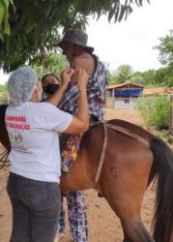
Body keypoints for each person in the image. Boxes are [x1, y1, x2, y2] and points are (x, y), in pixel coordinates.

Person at [5, 65, 89, 242]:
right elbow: (82, 124)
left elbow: (44, 110)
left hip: (16, 183)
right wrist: (82, 87)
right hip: (42, 188)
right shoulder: (42, 112)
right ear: (35, 88)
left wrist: (64, 84)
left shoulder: (10, 111)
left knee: (19, 236)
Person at [53, 29, 108, 242]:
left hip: (79, 121)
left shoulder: (78, 62)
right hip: (98, 118)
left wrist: (51, 108)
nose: (64, 51)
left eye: (66, 46)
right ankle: (80, 234)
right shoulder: (99, 63)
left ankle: (61, 229)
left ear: (75, 46)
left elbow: (70, 98)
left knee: (57, 174)